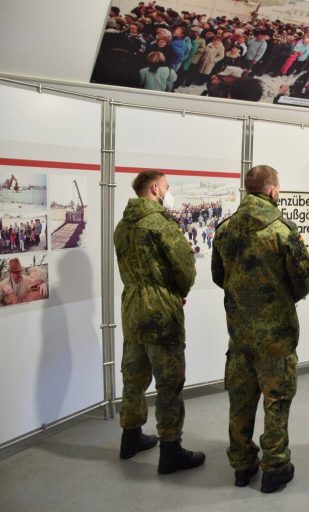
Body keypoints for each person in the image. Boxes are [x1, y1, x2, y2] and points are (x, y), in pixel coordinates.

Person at [212, 165, 309, 492]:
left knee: (240, 400)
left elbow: (219, 277)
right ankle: (274, 467)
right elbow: (303, 280)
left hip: (239, 334)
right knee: (276, 400)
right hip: (276, 337)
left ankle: (242, 466)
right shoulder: (283, 230)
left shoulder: (224, 229)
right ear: (272, 190)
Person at [114, 171, 205, 474]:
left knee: (134, 376)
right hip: (160, 312)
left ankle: (130, 437)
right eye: (166, 187)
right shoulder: (162, 225)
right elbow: (185, 268)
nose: (168, 192)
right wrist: (173, 292)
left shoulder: (122, 226)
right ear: (154, 188)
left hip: (131, 308)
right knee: (169, 381)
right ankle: (170, 450)